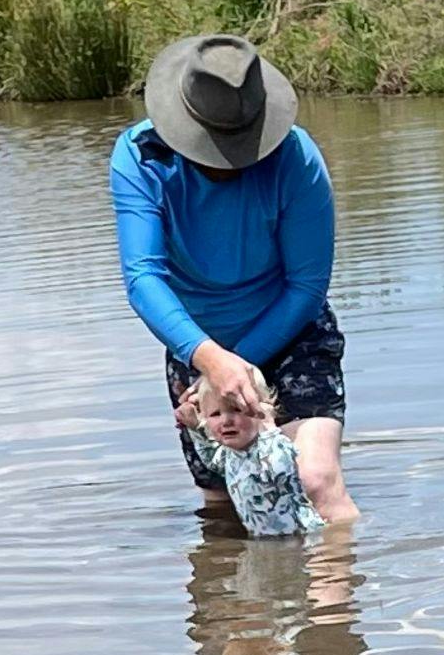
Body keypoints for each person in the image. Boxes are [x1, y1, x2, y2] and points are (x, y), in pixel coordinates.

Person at [112, 33, 358, 526]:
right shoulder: (140, 157)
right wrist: (209, 362)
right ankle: (245, 583)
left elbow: (307, 286)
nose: (228, 164)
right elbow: (143, 276)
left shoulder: (296, 158)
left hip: (293, 333)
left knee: (314, 480)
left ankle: (336, 579)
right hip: (195, 343)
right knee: (226, 506)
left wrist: (236, 366)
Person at [173, 367, 315, 537]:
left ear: (260, 410)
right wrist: (195, 428)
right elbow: (210, 458)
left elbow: (280, 469)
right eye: (216, 414)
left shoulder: (274, 445)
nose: (226, 420)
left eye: (237, 410)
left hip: (301, 536)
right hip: (262, 538)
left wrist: (267, 425)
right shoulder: (230, 455)